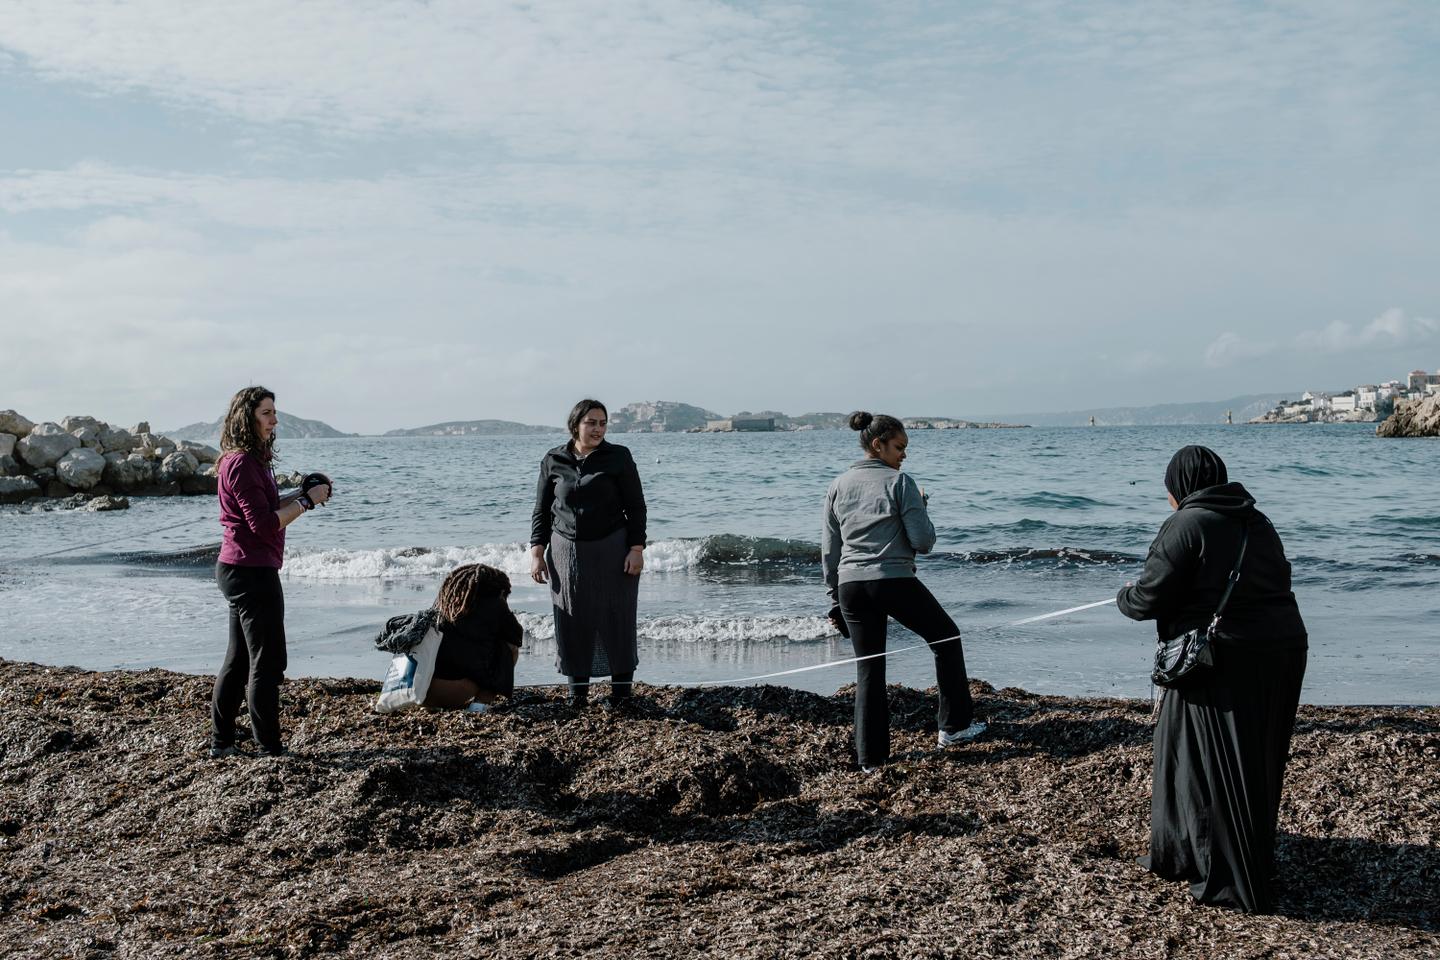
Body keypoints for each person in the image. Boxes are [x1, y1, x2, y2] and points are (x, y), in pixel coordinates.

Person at [1117, 445, 1308, 913]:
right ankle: (1198, 854)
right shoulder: (1256, 520)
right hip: (1283, 649)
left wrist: (1122, 596)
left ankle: (1226, 876)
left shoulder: (1187, 523)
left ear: (1179, 486)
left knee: (1207, 765)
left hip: (1221, 659)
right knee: (1251, 760)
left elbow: (1147, 599)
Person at [822, 411, 984, 772]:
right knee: (946, 639)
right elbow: (923, 541)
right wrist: (922, 506)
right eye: (899, 447)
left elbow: (829, 551)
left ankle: (871, 760)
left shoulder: (837, 485)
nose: (904, 455)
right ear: (877, 445)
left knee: (869, 670)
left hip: (850, 585)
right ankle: (954, 727)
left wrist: (833, 598)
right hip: (892, 579)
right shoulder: (901, 482)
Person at [209, 386, 332, 758]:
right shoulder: (242, 463)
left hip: (241, 568)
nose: (274, 419)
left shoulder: (250, 459)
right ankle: (268, 747)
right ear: (247, 417)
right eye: (266, 413)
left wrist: (302, 492)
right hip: (250, 572)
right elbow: (264, 525)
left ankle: (223, 742)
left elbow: (266, 507)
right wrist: (308, 503)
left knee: (240, 660)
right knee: (268, 661)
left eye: (274, 412)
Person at [529, 399, 646, 708]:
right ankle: (576, 696)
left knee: (616, 617)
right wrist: (537, 551)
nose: (598, 429)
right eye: (591, 423)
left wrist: (636, 548)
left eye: (602, 423)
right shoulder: (553, 459)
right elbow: (541, 511)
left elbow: (636, 507)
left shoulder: (618, 457)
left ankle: (621, 695)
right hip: (566, 552)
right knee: (572, 619)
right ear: (575, 425)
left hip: (613, 548)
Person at [424, 563, 524, 710]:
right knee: (508, 648)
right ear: (500, 590)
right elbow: (517, 637)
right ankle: (480, 705)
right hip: (455, 691)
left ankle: (436, 704)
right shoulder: (495, 603)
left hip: (422, 691)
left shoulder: (445, 602)